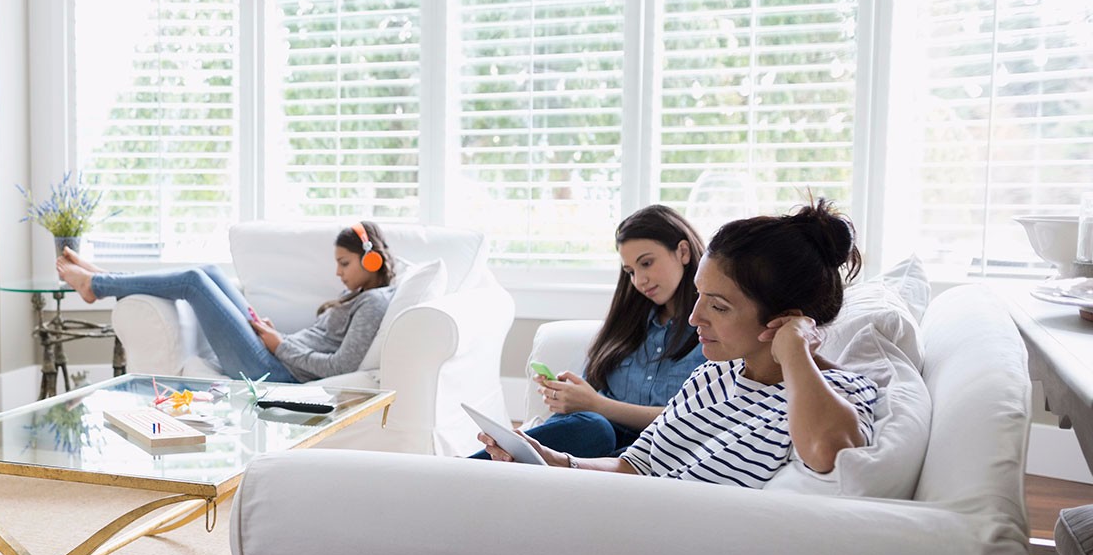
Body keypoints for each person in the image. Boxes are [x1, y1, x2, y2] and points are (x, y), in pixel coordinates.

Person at [479, 199, 877, 486]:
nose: (694, 317)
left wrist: (794, 350)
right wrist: (554, 461)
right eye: (700, 295)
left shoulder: (843, 392)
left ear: (786, 318)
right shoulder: (711, 378)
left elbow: (830, 452)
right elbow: (634, 467)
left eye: (718, 306)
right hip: (624, 516)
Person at [55, 222, 399, 383]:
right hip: (278, 354)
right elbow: (321, 343)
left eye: (344, 264)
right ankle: (108, 279)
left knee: (192, 282)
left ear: (370, 261)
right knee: (207, 270)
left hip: (277, 372)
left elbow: (340, 368)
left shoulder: (373, 305)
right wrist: (282, 339)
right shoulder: (358, 296)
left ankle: (98, 284)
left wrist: (280, 347)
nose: (337, 273)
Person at [495, 205, 707, 460]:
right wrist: (569, 396)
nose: (639, 280)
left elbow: (693, 418)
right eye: (630, 272)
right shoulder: (626, 326)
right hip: (588, 444)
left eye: (647, 263)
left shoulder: (709, 334)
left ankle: (481, 464)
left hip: (649, 453)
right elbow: (586, 409)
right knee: (593, 428)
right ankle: (482, 463)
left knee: (598, 429)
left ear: (682, 252)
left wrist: (597, 405)